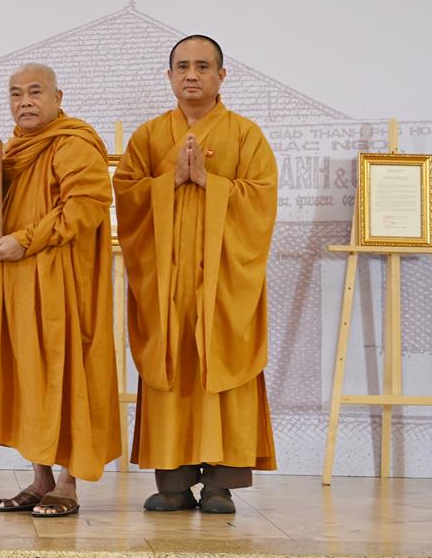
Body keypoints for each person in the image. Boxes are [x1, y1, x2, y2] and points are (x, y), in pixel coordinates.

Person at [0, 63, 121, 518]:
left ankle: (68, 483)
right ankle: (41, 479)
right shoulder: (10, 153)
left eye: (35, 92)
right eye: (15, 94)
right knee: (27, 377)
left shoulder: (73, 144)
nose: (24, 102)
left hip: (61, 283)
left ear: (58, 98)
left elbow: (86, 205)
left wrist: (25, 240)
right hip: (15, 284)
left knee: (64, 377)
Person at [113, 35, 278, 514]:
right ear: (168, 76)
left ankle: (221, 484)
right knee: (172, 368)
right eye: (182, 66)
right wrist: (169, 183)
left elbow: (262, 200)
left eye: (203, 66)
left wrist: (211, 183)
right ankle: (173, 482)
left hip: (225, 280)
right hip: (165, 281)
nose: (192, 74)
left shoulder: (246, 135)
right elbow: (127, 196)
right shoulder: (148, 137)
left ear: (221, 76)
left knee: (221, 366)